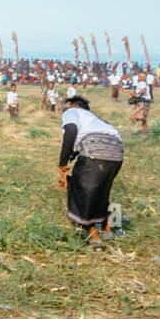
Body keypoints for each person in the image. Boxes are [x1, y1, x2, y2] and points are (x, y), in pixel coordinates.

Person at [58, 93, 124, 243]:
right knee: (100, 191)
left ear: (72, 105)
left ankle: (93, 236)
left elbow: (70, 132)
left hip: (96, 153)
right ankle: (108, 229)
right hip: (117, 153)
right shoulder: (96, 119)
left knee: (79, 190)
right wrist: (72, 155)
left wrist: (62, 163)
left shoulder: (72, 111)